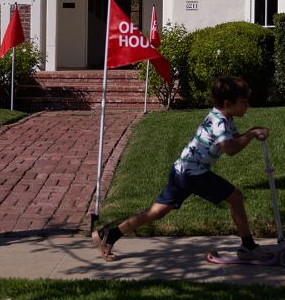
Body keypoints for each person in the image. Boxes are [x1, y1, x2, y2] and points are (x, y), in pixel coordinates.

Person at [91, 74, 273, 262]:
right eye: (243, 102)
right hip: (193, 174)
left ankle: (109, 234)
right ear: (228, 104)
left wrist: (251, 131)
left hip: (182, 170)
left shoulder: (222, 117)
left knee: (156, 212)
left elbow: (234, 139)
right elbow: (231, 149)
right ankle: (248, 247)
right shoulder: (219, 123)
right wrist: (251, 135)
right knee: (235, 197)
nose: (248, 105)